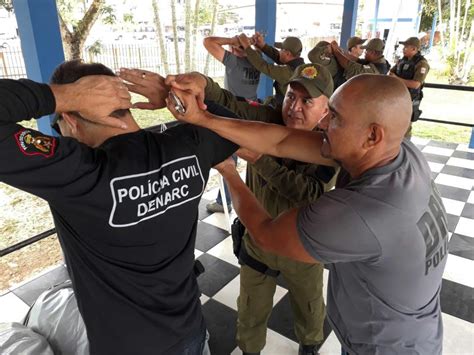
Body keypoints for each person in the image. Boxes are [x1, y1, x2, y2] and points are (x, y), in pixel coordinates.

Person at [164, 74, 448, 355]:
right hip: (412, 330)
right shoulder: (402, 153)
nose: (324, 123)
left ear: (372, 135)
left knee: (308, 304)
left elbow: (265, 232)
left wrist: (229, 173)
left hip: (386, 347)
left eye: (334, 117)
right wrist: (202, 119)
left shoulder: (363, 212)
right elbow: (282, 140)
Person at [0, 60, 238, 354]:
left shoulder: (77, 174)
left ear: (70, 120)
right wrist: (170, 94)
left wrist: (61, 96)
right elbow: (233, 121)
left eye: (58, 125)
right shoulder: (188, 145)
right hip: (190, 331)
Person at [127, 64, 335, 355]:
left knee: (311, 308)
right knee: (250, 311)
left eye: (307, 101)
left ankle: (310, 346)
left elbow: (307, 192)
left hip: (302, 249)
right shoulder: (269, 117)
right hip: (257, 243)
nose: (294, 107)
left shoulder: (333, 143)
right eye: (291, 96)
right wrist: (199, 87)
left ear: (326, 110)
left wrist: (258, 157)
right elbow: (229, 105)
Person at [203, 35, 261, 213]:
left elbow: (208, 42)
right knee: (255, 158)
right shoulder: (257, 64)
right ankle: (256, 195)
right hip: (252, 110)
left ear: (236, 49)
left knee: (229, 156)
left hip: (234, 112)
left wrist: (231, 40)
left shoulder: (233, 62)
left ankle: (224, 201)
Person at [239, 33, 305, 106]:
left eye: (281, 50)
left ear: (288, 54)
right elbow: (277, 56)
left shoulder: (288, 72)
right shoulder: (300, 66)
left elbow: (263, 66)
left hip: (282, 110)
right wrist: (262, 46)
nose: (279, 51)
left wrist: (246, 47)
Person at [389, 37, 430, 125]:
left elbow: (415, 84)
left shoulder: (421, 64)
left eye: (406, 47)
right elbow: (391, 73)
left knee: (404, 126)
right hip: (397, 97)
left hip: (409, 99)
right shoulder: (402, 61)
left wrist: (397, 79)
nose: (403, 49)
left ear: (414, 49)